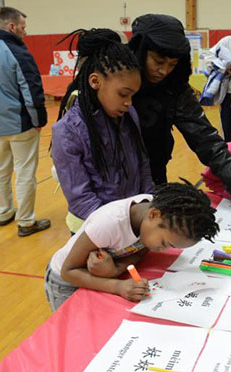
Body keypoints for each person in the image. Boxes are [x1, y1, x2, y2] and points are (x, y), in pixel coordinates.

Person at [128, 14, 231, 226]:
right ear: (140, 53)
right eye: (158, 62)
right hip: (111, 183)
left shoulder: (174, 86)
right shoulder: (116, 80)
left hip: (153, 173)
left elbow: (206, 139)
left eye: (172, 64)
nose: (164, 71)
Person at [44, 182, 219, 311]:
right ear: (154, 214)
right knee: (73, 330)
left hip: (97, 274)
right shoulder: (108, 224)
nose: (162, 249)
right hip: (65, 281)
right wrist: (117, 286)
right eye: (165, 243)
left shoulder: (151, 221)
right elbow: (69, 271)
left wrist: (115, 270)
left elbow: (139, 249)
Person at [51, 28, 154, 234]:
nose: (128, 102)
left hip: (131, 223)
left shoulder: (129, 115)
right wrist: (120, 229)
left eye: (133, 95)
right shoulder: (68, 131)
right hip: (93, 230)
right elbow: (81, 199)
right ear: (95, 81)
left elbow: (143, 167)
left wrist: (149, 206)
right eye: (123, 94)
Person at [0, 7, 50, 237]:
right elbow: (31, 88)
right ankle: (25, 221)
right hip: (20, 123)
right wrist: (39, 119)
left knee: (0, 171)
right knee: (24, 172)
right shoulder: (17, 52)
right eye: (23, 26)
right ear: (11, 26)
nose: (25, 31)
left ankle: (3, 213)